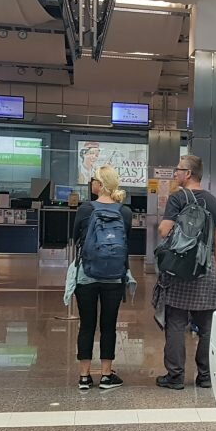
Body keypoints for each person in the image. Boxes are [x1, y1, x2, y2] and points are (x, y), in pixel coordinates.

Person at [154, 155, 216, 390]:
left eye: (178, 169)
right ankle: (205, 376)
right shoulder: (214, 201)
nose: (175, 173)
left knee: (175, 323)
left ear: (189, 174)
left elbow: (164, 231)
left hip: (180, 270)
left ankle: (175, 376)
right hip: (205, 270)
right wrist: (212, 267)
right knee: (206, 327)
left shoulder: (177, 198)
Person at [71, 165, 131, 390]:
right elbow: (127, 243)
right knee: (109, 325)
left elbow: (74, 236)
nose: (92, 183)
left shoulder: (85, 209)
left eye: (94, 180)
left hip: (87, 274)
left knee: (86, 325)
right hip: (114, 276)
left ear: (100, 184)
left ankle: (84, 377)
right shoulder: (124, 212)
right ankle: (106, 375)